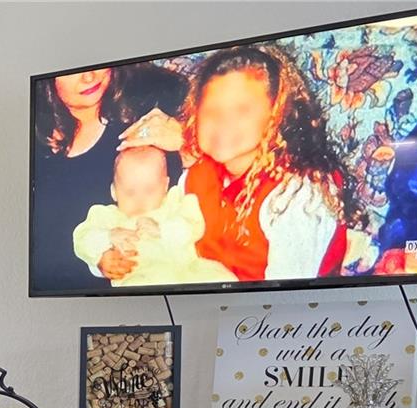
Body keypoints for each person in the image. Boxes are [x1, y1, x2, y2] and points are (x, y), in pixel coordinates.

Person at [115, 45, 359, 283]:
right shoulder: (195, 176)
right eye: (211, 110)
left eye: (242, 109)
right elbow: (161, 231)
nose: (223, 121)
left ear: (278, 114)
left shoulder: (297, 193)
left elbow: (288, 295)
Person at [30, 65, 186, 293]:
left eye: (95, 63)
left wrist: (187, 142)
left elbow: (194, 206)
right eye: (71, 70)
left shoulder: (144, 122)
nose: (89, 77)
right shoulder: (28, 141)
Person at [72, 145, 237, 288]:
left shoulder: (174, 202)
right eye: (130, 192)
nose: (140, 200)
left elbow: (193, 225)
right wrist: (108, 237)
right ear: (114, 191)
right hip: (142, 276)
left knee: (221, 278)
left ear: (165, 186)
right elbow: (82, 239)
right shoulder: (107, 216)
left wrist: (162, 230)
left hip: (187, 269)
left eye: (150, 190)